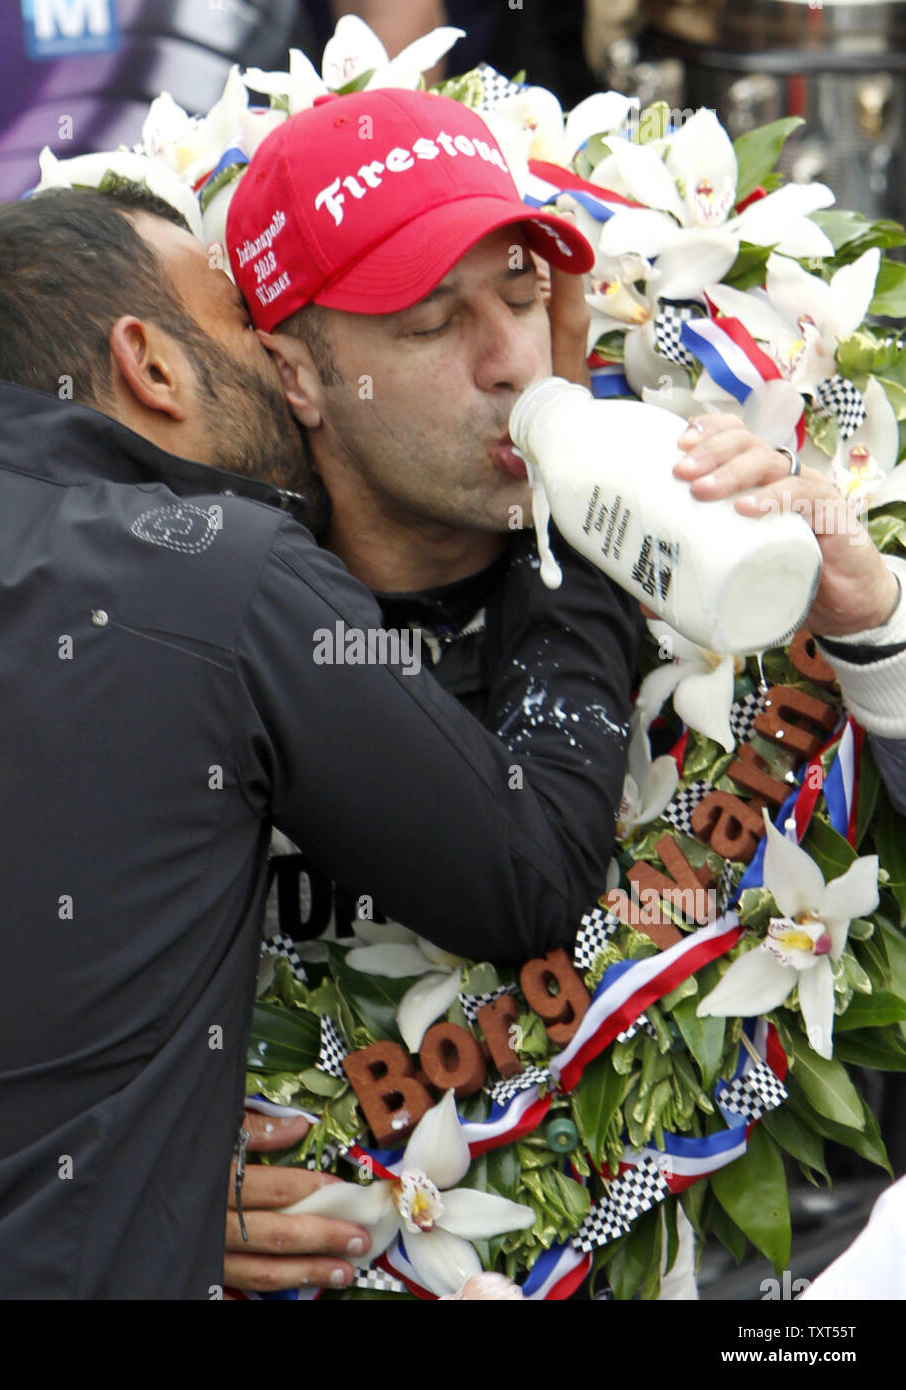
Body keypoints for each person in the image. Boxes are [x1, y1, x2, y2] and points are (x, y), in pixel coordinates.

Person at [0, 181, 642, 1298]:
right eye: (234, 325)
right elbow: (523, 873)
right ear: (151, 366)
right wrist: (577, 509)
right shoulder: (220, 569)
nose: (274, 363)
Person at [219, 86, 906, 1294]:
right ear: (299, 375)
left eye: (527, 296)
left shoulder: (700, 512)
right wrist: (139, 1163)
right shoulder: (202, 619)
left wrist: (867, 624)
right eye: (432, 324)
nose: (510, 361)